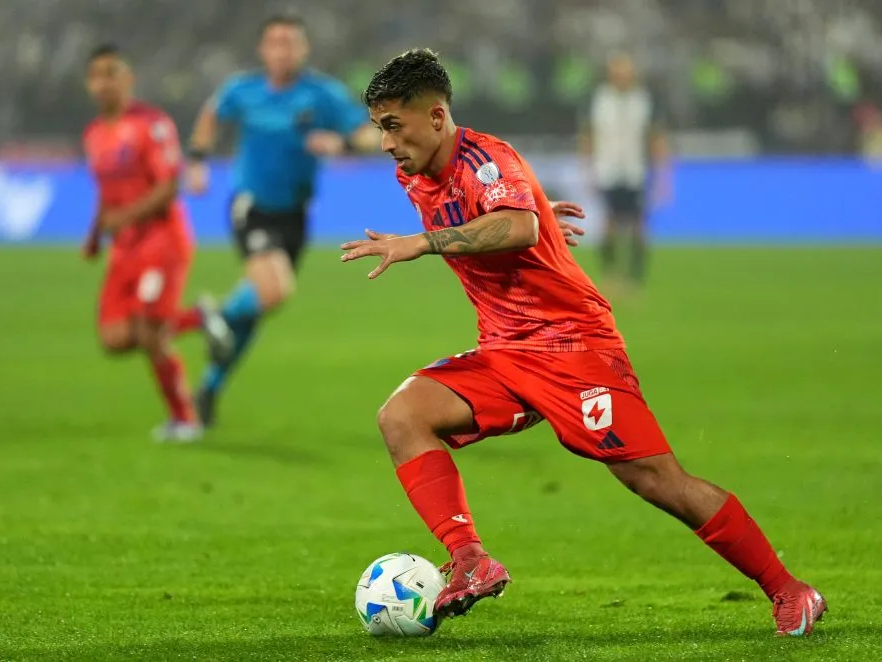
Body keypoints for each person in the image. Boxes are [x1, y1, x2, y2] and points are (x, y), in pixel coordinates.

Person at [340, 48, 826, 636]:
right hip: (504, 348)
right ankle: (471, 560)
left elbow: (516, 225)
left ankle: (790, 590)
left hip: (573, 347)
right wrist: (539, 214)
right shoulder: (415, 173)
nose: (386, 142)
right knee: (402, 417)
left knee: (656, 481)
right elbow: (520, 222)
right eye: (379, 128)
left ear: (438, 117)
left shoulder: (485, 158)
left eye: (394, 125)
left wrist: (429, 241)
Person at [185, 13, 379, 428]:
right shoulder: (243, 89)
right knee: (275, 291)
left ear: (303, 49)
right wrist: (198, 159)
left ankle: (208, 386)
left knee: (256, 306)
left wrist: (342, 143)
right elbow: (210, 116)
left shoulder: (322, 94)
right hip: (252, 206)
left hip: (295, 215)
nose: (283, 50)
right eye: (275, 42)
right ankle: (214, 317)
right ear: (263, 49)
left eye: (291, 42)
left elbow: (367, 135)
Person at [82, 43, 208, 443]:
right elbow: (106, 191)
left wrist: (125, 217)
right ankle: (201, 318)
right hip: (124, 247)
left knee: (151, 332)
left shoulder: (151, 124)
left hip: (161, 240)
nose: (104, 83)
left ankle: (184, 419)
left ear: (128, 78)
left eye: (112, 73)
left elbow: (170, 185)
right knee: (115, 339)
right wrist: (94, 234)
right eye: (97, 75)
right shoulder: (95, 134)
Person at [578, 52, 669, 295]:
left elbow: (656, 138)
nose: (621, 77)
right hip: (606, 170)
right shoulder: (598, 100)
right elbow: (588, 137)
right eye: (617, 72)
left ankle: (635, 280)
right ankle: (610, 275)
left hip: (635, 171)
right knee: (608, 224)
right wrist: (586, 169)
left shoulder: (644, 101)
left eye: (625, 72)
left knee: (639, 226)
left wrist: (663, 176)